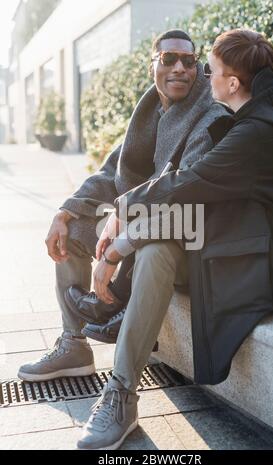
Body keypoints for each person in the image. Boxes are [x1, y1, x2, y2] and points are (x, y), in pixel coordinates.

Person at [75, 28, 273, 450]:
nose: (203, 79)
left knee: (156, 238)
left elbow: (188, 184)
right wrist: (128, 231)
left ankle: (120, 382)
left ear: (232, 83)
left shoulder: (258, 134)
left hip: (267, 264)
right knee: (158, 248)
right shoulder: (253, 117)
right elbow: (198, 198)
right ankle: (121, 394)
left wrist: (122, 223)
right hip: (236, 244)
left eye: (209, 70)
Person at [18, 30, 228, 383]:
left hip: (189, 235)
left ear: (197, 67)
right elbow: (112, 171)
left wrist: (121, 223)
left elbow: (182, 193)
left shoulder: (208, 115)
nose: (180, 68)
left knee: (146, 243)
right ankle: (74, 346)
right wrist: (65, 211)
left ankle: (119, 339)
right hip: (143, 218)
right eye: (168, 59)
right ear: (152, 66)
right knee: (72, 231)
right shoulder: (149, 108)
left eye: (189, 61)